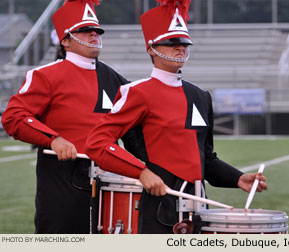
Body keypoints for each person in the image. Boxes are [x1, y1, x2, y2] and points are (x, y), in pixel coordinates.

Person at [85, 0, 267, 234]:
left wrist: (238, 178)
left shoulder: (200, 96)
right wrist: (141, 172)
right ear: (151, 48)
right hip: (161, 210)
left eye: (183, 43)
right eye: (172, 43)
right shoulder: (137, 92)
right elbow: (97, 143)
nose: (180, 48)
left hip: (200, 211)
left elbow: (205, 159)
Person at [1, 0, 136, 234]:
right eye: (85, 30)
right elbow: (13, 117)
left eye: (96, 30)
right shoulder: (45, 75)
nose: (94, 34)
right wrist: (53, 139)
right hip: (61, 188)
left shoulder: (117, 80)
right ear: (65, 40)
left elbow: (136, 134)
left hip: (109, 186)